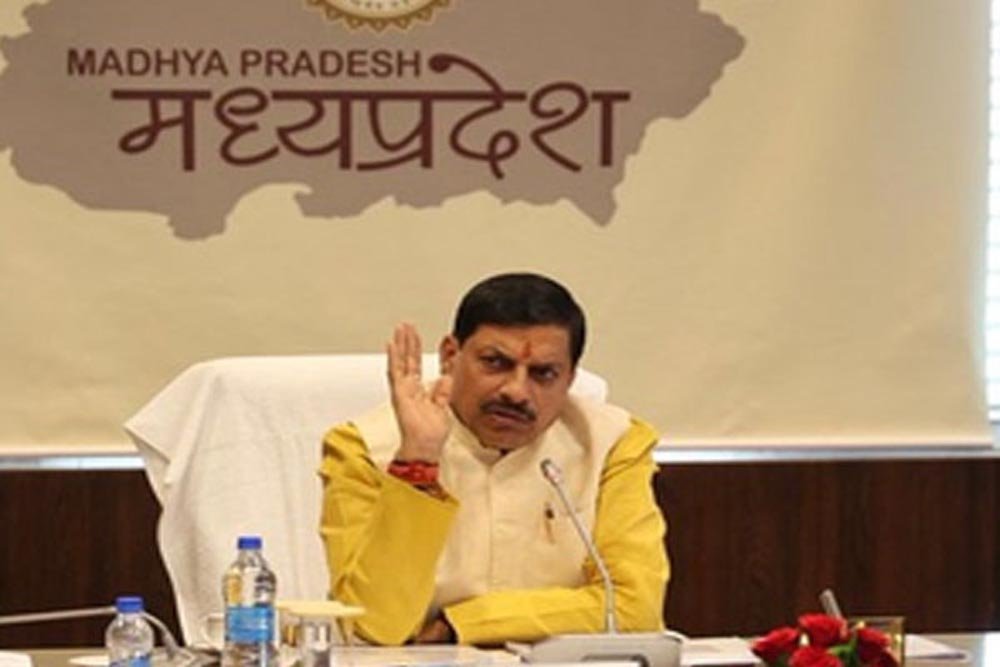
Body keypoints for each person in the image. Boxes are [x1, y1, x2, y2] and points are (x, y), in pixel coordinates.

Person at [318, 273, 668, 646]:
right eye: (495, 363)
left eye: (543, 374)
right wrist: (417, 461)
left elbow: (633, 609)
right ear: (450, 356)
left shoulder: (612, 445)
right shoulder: (363, 448)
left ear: (569, 380)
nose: (516, 391)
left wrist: (462, 624)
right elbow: (374, 626)